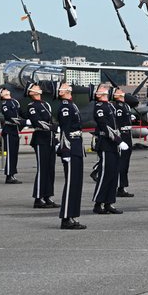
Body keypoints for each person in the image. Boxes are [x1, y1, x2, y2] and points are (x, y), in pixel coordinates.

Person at [92, 84, 126, 215]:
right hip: (106, 143)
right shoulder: (99, 107)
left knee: (113, 174)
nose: (105, 89)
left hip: (113, 144)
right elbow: (104, 127)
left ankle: (109, 202)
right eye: (101, 88)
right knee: (105, 175)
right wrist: (119, 140)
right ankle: (98, 203)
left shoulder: (110, 106)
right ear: (97, 94)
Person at [56, 83, 86, 229]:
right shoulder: (65, 107)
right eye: (64, 85)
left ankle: (72, 215)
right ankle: (66, 217)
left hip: (77, 145)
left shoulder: (72, 105)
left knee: (76, 183)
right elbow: (64, 130)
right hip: (71, 146)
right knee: (70, 184)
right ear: (62, 92)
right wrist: (65, 151)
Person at [25, 82, 59, 209]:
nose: (38, 87)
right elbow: (37, 122)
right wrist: (53, 127)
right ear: (31, 92)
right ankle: (38, 198)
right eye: (34, 87)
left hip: (50, 139)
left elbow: (51, 119)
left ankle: (48, 196)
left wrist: (55, 137)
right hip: (40, 139)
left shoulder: (45, 104)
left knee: (50, 170)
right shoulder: (31, 106)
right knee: (42, 169)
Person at [0, 87, 28, 184]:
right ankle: (9, 175)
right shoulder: (5, 105)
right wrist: (24, 122)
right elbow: (10, 117)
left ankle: (12, 174)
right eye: (3, 91)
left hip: (15, 130)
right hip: (9, 131)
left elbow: (22, 113)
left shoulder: (15, 102)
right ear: (1, 95)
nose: (6, 90)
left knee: (14, 154)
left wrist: (30, 117)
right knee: (11, 154)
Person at [112, 87, 134, 198]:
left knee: (125, 163)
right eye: (118, 91)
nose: (121, 91)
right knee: (121, 163)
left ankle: (123, 186)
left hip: (128, 135)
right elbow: (118, 123)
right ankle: (119, 186)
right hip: (123, 135)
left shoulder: (125, 105)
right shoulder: (118, 107)